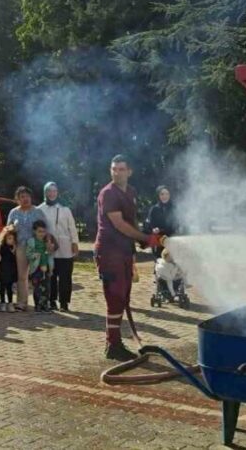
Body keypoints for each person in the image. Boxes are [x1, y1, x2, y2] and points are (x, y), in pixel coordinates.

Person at [96, 155, 162, 361]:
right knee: (115, 298)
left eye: (121, 169)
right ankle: (112, 344)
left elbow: (131, 221)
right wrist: (145, 239)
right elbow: (119, 224)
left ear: (129, 171)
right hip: (109, 252)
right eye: (114, 169)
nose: (117, 172)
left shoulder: (131, 192)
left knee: (123, 297)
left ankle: (114, 343)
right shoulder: (108, 194)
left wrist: (143, 239)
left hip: (124, 251)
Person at [39, 181, 78, 312]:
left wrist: (75, 243)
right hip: (48, 247)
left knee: (65, 276)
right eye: (49, 191)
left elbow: (72, 227)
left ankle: (64, 302)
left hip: (65, 247)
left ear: (57, 193)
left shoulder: (65, 209)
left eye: (54, 191)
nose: (51, 193)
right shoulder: (40, 209)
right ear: (45, 192)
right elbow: (39, 229)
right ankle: (52, 300)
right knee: (51, 275)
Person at [6, 187, 45, 311]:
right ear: (17, 199)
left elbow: (44, 229)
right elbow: (8, 230)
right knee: (22, 276)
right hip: (21, 246)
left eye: (27, 196)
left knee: (38, 275)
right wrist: (13, 229)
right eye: (22, 197)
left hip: (35, 247)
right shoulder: (13, 212)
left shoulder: (38, 212)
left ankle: (41, 302)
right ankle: (22, 303)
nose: (25, 199)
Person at [26, 222, 53, 313]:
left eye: (43, 231)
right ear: (34, 231)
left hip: (46, 267)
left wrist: (49, 247)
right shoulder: (31, 241)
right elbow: (28, 254)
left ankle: (45, 305)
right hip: (36, 268)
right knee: (37, 287)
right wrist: (35, 255)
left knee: (46, 287)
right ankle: (37, 305)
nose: (42, 234)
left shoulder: (47, 241)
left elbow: (50, 253)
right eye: (39, 231)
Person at [145, 185, 177, 259]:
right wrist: (153, 229)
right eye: (162, 194)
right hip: (158, 241)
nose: (164, 196)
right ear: (158, 195)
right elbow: (148, 225)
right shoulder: (154, 209)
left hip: (172, 240)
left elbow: (176, 224)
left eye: (167, 194)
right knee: (160, 264)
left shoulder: (174, 208)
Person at [0, 230, 18, 313]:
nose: (11, 240)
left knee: (10, 287)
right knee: (2, 287)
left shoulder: (14, 247)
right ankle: (2, 302)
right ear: (4, 238)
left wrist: (14, 251)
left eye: (13, 239)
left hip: (11, 270)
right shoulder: (2, 247)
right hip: (3, 270)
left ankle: (10, 302)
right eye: (9, 238)